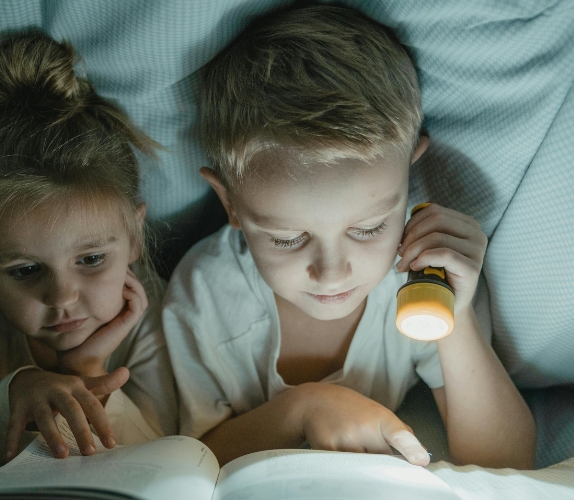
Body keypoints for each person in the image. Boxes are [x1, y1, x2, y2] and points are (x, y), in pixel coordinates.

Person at [163, 5, 536, 469]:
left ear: (408, 178)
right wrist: (303, 409)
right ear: (230, 204)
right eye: (285, 238)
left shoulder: (419, 278)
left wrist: (456, 318)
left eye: (368, 228)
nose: (332, 271)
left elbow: (506, 461)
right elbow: (191, 459)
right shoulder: (204, 293)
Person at [0, 30, 177, 466]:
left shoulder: (152, 310)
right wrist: (17, 391)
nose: (61, 298)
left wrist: (89, 371)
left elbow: (166, 444)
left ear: (134, 237)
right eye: (24, 270)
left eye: (91, 259)